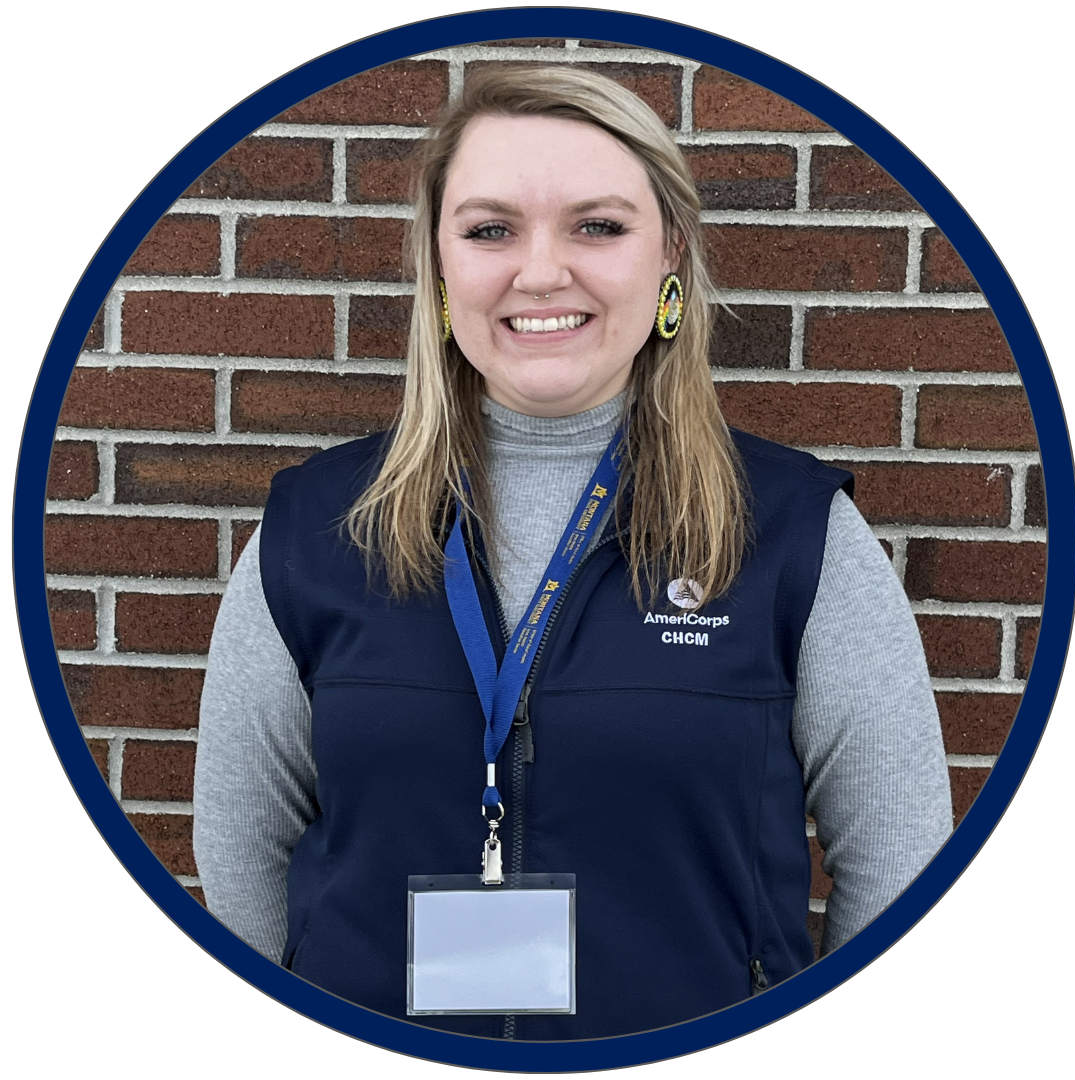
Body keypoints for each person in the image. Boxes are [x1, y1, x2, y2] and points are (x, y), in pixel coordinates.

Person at [193, 65, 953, 1041]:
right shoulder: (315, 530)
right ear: (438, 263)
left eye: (598, 225)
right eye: (490, 228)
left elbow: (901, 873)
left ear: (669, 255)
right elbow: (243, 859)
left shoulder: (796, 536)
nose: (542, 271)